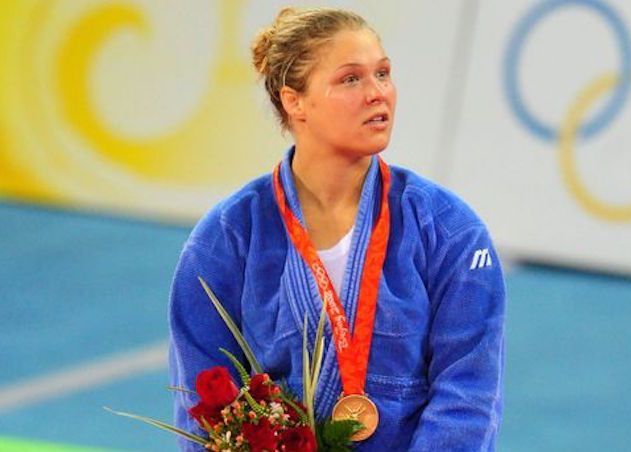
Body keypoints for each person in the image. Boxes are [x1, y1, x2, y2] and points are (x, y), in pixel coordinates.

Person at [169, 6, 505, 451]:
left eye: (383, 74)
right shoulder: (226, 239)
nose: (377, 93)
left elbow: (469, 395)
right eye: (351, 79)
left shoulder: (448, 231)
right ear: (295, 101)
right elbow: (202, 402)